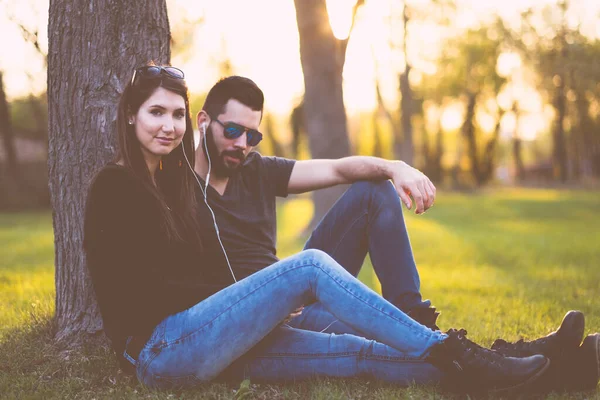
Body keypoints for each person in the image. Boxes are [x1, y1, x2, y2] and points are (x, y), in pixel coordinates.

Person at [83, 64, 552, 396]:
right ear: (131, 115)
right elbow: (148, 293)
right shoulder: (117, 186)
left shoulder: (170, 183)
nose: (169, 126)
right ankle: (457, 352)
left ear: (189, 120)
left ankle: (527, 370)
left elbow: (337, 169)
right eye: (156, 113)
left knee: (359, 354)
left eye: (175, 115)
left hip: (221, 341)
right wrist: (259, 305)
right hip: (162, 351)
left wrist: (392, 167)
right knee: (308, 267)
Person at [191, 75, 599, 392]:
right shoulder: (176, 187)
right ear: (204, 122)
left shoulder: (257, 169)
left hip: (298, 296)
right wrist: (269, 302)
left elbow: (336, 169)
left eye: (253, 135)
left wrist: (393, 167)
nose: (243, 144)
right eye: (232, 132)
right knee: (389, 349)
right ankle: (562, 371)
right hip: (250, 323)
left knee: (373, 191)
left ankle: (420, 321)